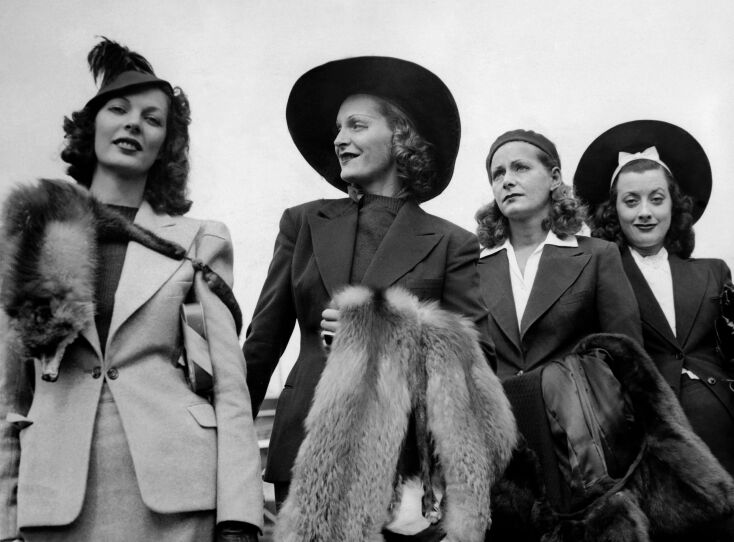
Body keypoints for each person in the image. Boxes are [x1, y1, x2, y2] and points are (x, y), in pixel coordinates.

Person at [0, 38, 262, 542]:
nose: (134, 124)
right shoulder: (32, 236)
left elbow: (229, 389)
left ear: (166, 144)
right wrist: (4, 521)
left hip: (178, 499)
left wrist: (239, 516)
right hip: (53, 501)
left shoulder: (199, 241)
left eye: (152, 118)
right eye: (118, 110)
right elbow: (10, 392)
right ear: (91, 126)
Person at [243, 56, 494, 522]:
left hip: (401, 460)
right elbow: (261, 347)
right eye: (338, 129)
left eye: (356, 125)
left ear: (401, 138)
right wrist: (224, 446)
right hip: (303, 448)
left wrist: (385, 328)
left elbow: (478, 362)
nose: (339, 139)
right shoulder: (302, 223)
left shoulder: (452, 242)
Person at [576, 119, 734, 475]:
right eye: (631, 201)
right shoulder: (598, 276)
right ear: (613, 211)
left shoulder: (714, 271)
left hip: (723, 432)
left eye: (656, 199)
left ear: (673, 206)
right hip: (650, 440)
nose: (645, 212)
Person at [475, 129, 642, 380]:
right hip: (498, 405)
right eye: (498, 174)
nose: (507, 180)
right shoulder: (472, 266)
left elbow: (627, 360)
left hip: (574, 402)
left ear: (554, 178)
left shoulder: (598, 256)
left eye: (521, 168)